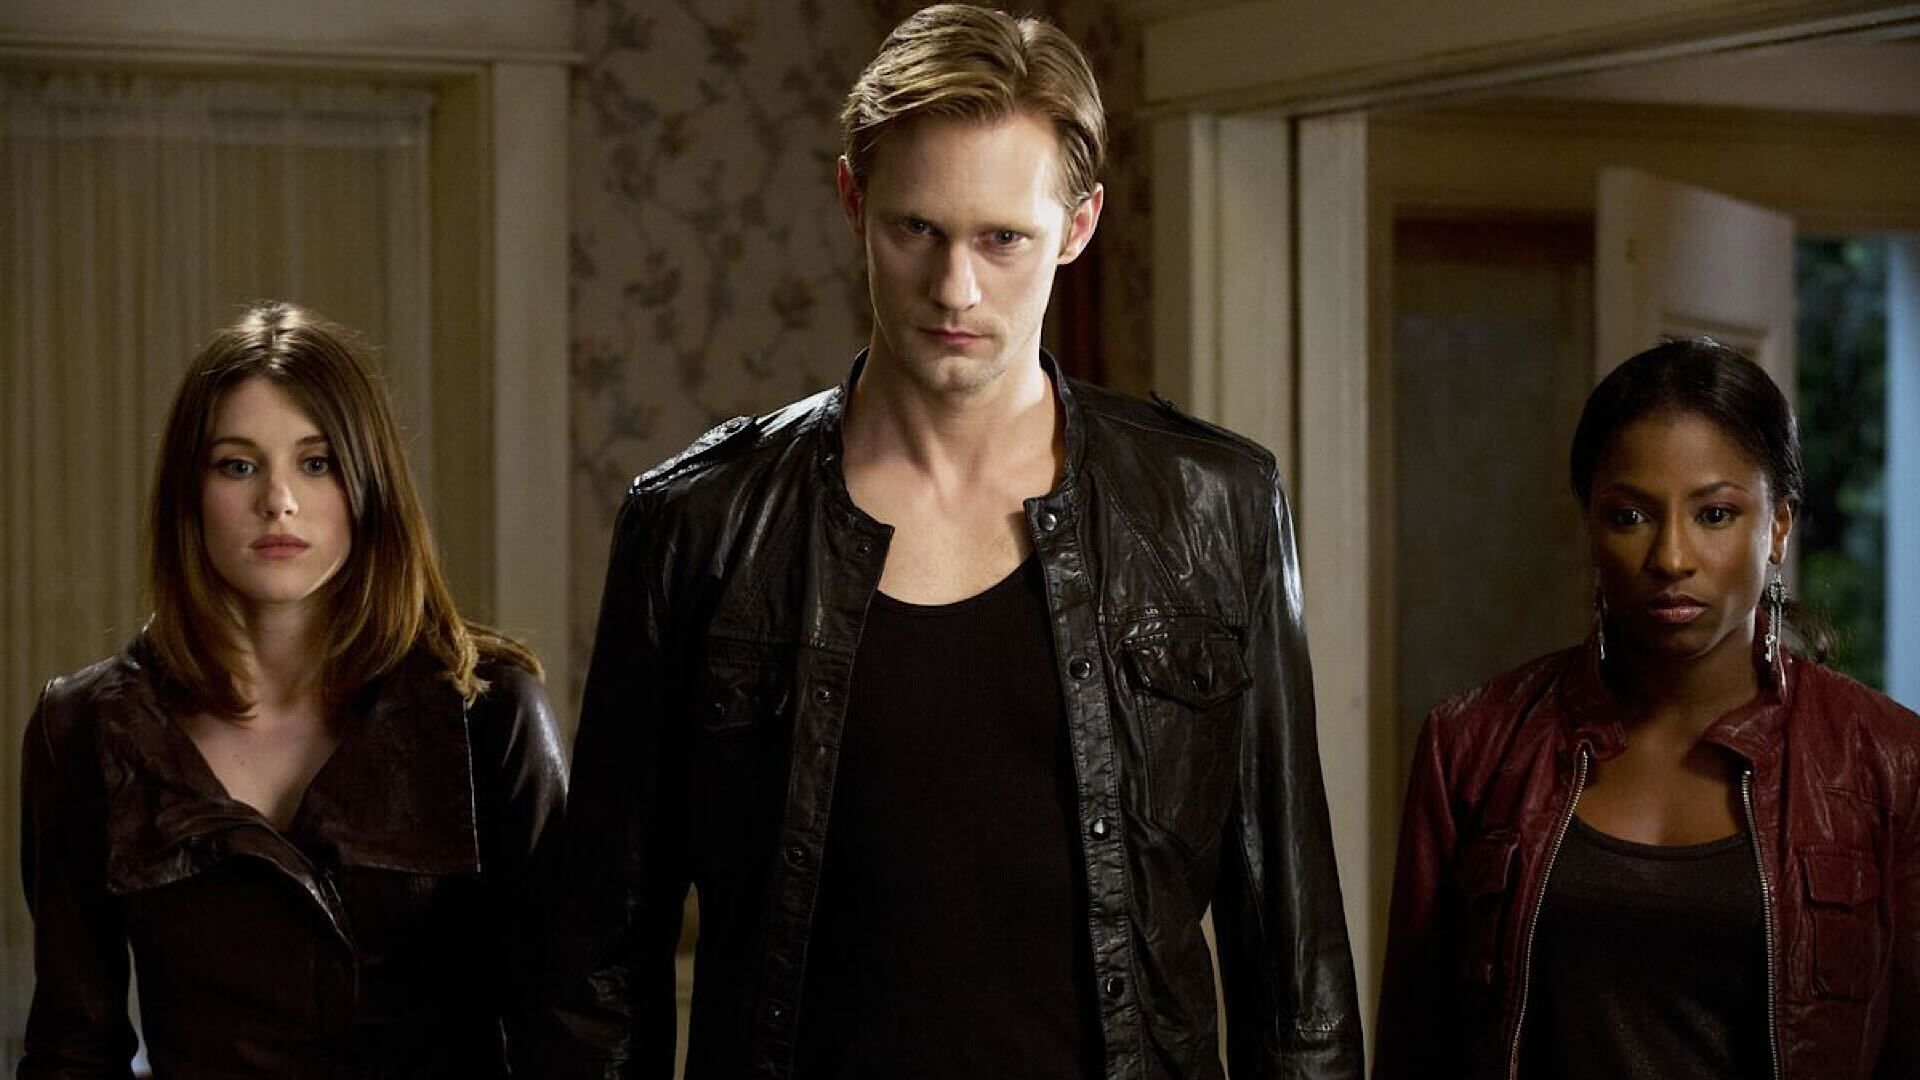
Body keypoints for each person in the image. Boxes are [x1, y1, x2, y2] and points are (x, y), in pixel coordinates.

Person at [546, 4, 1362, 1078]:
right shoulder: (700, 523)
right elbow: (599, 965)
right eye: (917, 229)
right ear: (853, 201)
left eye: (1001, 239)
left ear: (1078, 227)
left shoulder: (1213, 504)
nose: (954, 289)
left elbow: (1294, 960)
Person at [19, 301, 567, 1076]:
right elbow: (74, 1049)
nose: (277, 500)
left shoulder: (489, 710)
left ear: (368, 484)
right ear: (188, 493)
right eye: (237, 465)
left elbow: (564, 1023)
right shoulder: (84, 728)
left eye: (317, 463)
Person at [1373, 338, 1919, 1079]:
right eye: (1630, 515)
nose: (1670, 557)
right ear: (1591, 526)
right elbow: (1415, 1047)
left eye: (1715, 514)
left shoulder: (1889, 760)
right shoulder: (1472, 744)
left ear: (1778, 528)